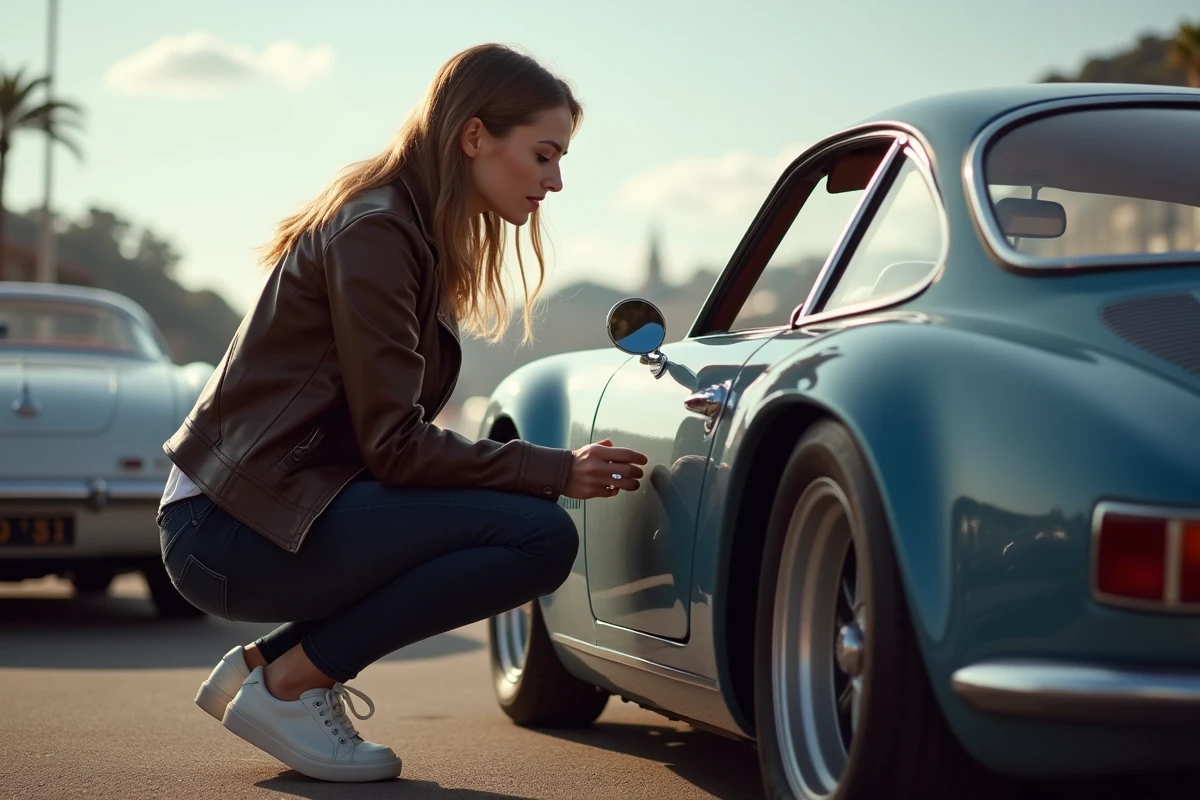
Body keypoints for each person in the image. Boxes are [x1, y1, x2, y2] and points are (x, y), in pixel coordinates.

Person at [156, 43, 648, 784]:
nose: (555, 181)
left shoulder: (399, 225)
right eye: (543, 155)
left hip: (249, 513)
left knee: (511, 521)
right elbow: (395, 445)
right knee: (537, 537)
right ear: (475, 135)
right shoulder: (379, 231)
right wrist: (554, 470)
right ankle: (290, 687)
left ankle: (266, 666)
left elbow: (385, 444)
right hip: (228, 529)